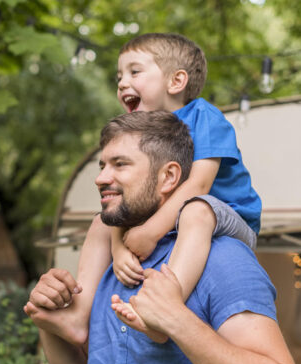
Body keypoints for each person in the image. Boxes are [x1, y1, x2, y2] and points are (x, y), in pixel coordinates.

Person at [26, 111, 296, 364]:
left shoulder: (222, 260)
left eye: (120, 164)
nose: (101, 178)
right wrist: (50, 326)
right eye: (102, 166)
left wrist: (175, 318)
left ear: (168, 177)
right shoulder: (110, 262)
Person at [25, 32, 261, 346]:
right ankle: (79, 314)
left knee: (197, 210)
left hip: (227, 218)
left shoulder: (203, 117)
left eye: (134, 72)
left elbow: (199, 185)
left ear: (176, 82)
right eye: (119, 76)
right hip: (177, 214)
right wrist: (119, 246)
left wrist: (149, 233)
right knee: (100, 220)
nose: (122, 82)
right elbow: (128, 203)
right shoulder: (143, 135)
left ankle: (164, 311)